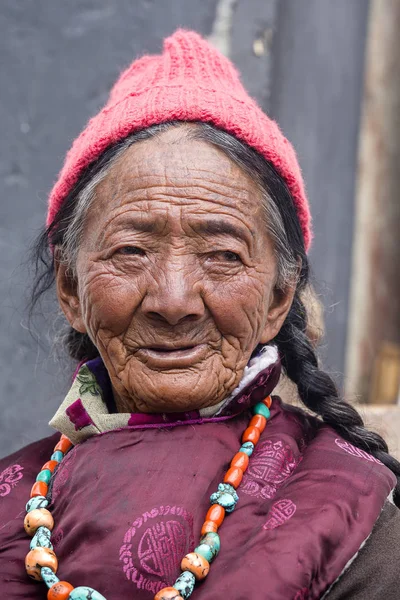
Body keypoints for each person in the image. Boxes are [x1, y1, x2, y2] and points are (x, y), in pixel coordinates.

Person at [0, 30, 399, 600]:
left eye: (221, 256)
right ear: (70, 286)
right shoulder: (11, 500)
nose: (175, 301)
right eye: (131, 251)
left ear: (279, 298)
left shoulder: (351, 520)